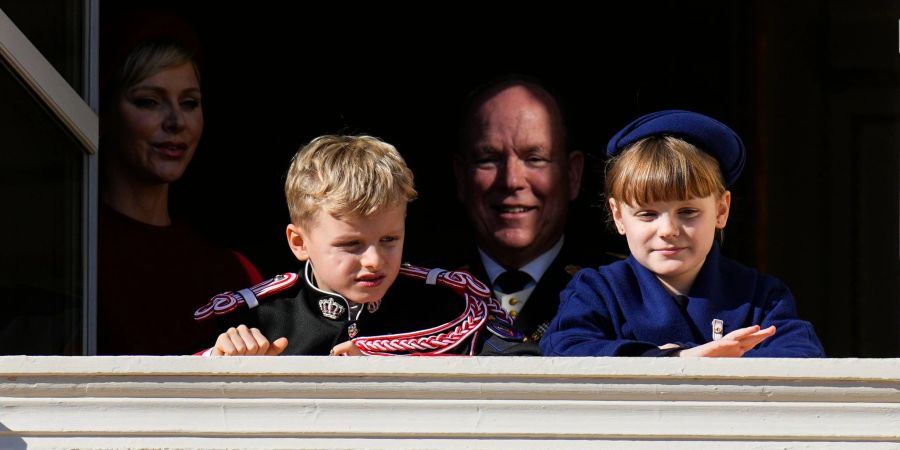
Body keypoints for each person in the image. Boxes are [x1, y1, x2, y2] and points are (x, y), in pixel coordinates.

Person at [540, 110, 825, 357]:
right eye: (648, 214)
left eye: (688, 212)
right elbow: (563, 349)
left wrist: (720, 366)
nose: (668, 231)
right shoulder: (597, 291)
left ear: (721, 210)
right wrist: (678, 359)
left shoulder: (761, 297)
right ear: (618, 216)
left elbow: (802, 356)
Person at [196, 135, 496, 356]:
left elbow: (525, 365)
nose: (375, 260)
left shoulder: (448, 307)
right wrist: (222, 360)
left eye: (389, 240)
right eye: (352, 244)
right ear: (299, 243)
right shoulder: (258, 318)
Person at [98, 39, 262, 355]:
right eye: (149, 101)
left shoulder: (233, 272)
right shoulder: (72, 254)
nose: (176, 122)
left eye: (189, 103)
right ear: (104, 114)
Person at [453, 78, 616, 353]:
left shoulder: (617, 287)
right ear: (461, 177)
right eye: (488, 159)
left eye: (535, 158)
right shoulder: (423, 290)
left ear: (572, 175)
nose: (511, 181)